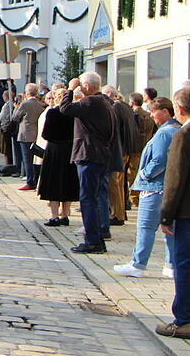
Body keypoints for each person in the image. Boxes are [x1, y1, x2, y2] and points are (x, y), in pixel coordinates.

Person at [113, 97, 180, 278]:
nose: (151, 116)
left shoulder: (165, 133)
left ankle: (138, 264)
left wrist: (143, 175)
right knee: (169, 229)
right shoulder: (177, 129)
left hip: (154, 186)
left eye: (153, 112)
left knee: (146, 227)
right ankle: (171, 265)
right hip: (167, 187)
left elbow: (159, 160)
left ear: (165, 112)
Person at [61, 72, 116, 254]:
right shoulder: (104, 102)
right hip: (100, 155)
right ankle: (97, 237)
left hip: (89, 155)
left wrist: (70, 89)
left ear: (87, 86)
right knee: (94, 198)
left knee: (87, 200)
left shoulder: (91, 102)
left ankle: (92, 241)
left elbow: (65, 109)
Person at [156, 88, 190, 338]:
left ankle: (184, 319)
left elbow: (175, 179)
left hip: (186, 212)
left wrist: (166, 215)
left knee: (184, 265)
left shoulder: (183, 135)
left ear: (178, 109)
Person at [38, 88, 79, 227]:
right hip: (70, 150)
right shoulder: (73, 114)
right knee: (67, 182)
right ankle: (65, 215)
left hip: (54, 151)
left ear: (56, 97)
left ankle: (54, 216)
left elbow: (46, 134)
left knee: (53, 183)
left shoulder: (52, 113)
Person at [103, 86, 136, 225]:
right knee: (119, 183)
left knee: (114, 183)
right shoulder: (126, 106)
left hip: (118, 150)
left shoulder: (115, 107)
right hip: (126, 149)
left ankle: (116, 214)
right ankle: (120, 212)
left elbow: (114, 129)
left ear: (109, 94)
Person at [13, 83, 46, 191]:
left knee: (27, 159)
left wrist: (16, 108)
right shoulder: (41, 104)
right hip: (37, 134)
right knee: (35, 159)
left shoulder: (24, 104)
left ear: (27, 93)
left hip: (26, 134)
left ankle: (30, 181)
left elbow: (15, 117)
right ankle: (35, 180)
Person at [129, 92, 156, 207]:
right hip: (147, 147)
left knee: (133, 172)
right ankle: (137, 195)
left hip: (135, 148)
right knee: (142, 171)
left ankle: (133, 197)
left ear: (132, 102)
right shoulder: (149, 115)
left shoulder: (133, 115)